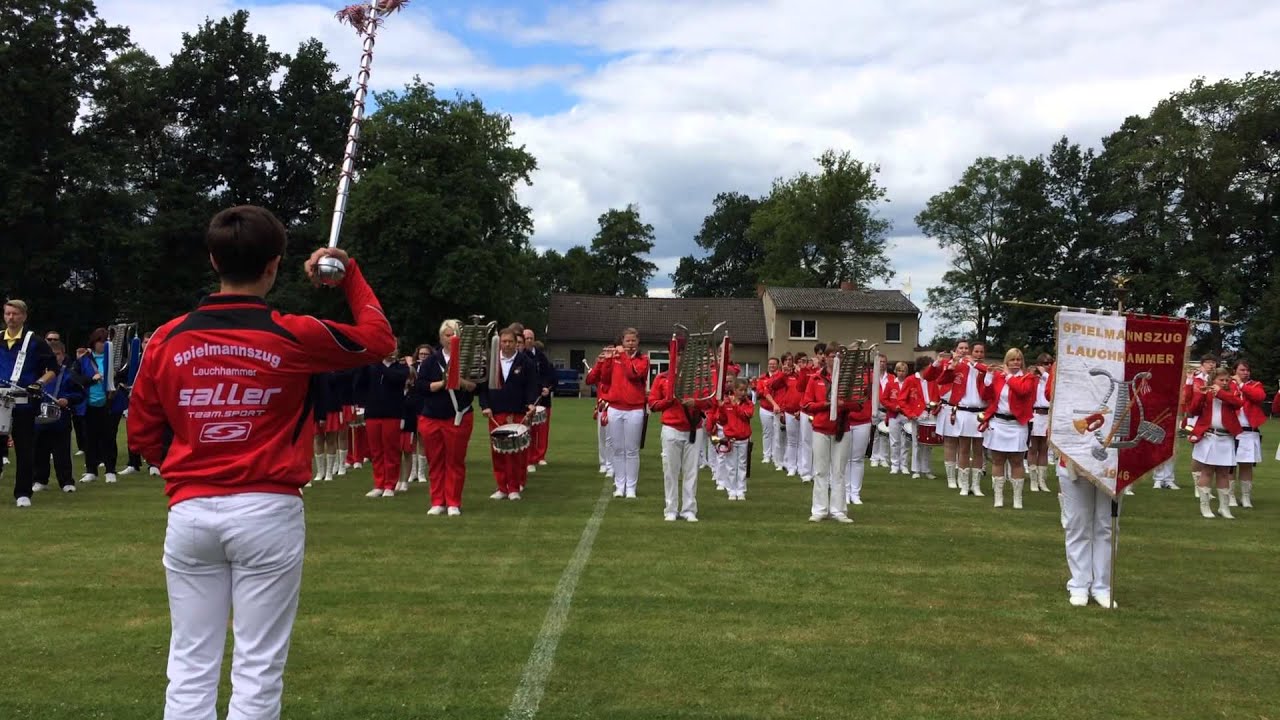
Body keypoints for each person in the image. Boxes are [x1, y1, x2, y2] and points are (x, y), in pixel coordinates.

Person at [125, 205, 396, 719]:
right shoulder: (294, 333)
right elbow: (379, 339)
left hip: (190, 511)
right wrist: (349, 273)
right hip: (267, 509)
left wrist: (189, 465)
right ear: (275, 266)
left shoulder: (166, 337)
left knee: (189, 662)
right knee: (257, 667)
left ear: (213, 261)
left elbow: (142, 432)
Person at [417, 319, 478, 516]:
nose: (451, 338)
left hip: (458, 417)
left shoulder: (468, 360)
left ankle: (453, 502)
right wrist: (441, 384)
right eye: (447, 335)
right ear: (441, 338)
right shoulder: (430, 362)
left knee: (455, 461)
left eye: (454, 335)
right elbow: (421, 387)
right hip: (432, 417)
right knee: (435, 461)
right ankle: (437, 501)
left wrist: (459, 381)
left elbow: (477, 387)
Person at [2, 299, 59, 507]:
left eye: (15, 314)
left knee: (25, 448)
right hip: (0, 401)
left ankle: (23, 493)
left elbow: (53, 368)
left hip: (24, 402)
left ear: (24, 316)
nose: (11, 318)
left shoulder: (35, 341)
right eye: (8, 314)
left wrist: (39, 382)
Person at [479, 327, 539, 502]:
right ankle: (501, 487)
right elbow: (482, 387)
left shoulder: (525, 362)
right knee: (498, 451)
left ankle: (514, 487)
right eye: (504, 342)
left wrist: (530, 403)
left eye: (510, 342)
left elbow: (531, 385)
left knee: (515, 452)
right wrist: (485, 405)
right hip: (496, 412)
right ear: (499, 343)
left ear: (516, 343)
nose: (507, 345)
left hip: (518, 412)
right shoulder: (491, 362)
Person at [979, 349, 1040, 510]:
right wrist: (989, 377)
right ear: (1006, 361)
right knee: (998, 460)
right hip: (998, 422)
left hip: (1017, 424)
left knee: (1017, 461)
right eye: (1012, 360)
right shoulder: (999, 377)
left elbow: (1022, 391)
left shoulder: (1028, 377)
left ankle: (1017, 498)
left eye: (1018, 360)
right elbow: (986, 395)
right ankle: (998, 496)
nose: (1015, 363)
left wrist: (1008, 376)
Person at [648, 364, 708, 521]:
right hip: (671, 427)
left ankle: (689, 509)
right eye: (678, 353)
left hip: (694, 428)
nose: (681, 357)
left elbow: (711, 401)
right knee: (670, 470)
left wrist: (696, 403)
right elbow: (653, 404)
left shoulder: (699, 378)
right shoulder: (662, 378)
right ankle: (671, 509)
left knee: (691, 470)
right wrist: (668, 400)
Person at [592, 328, 647, 499]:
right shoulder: (616, 358)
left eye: (633, 341)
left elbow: (632, 374)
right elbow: (605, 379)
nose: (630, 344)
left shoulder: (643, 359)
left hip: (635, 408)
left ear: (638, 342)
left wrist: (622, 356)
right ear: (622, 342)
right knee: (617, 449)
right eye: (627, 341)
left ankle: (631, 487)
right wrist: (607, 361)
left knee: (631, 450)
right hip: (615, 407)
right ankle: (619, 485)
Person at [801, 344, 853, 523]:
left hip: (842, 428)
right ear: (827, 358)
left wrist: (841, 404)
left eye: (839, 355)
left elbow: (858, 404)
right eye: (832, 355)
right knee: (820, 471)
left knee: (839, 471)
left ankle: (838, 510)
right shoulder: (816, 378)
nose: (835, 359)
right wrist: (826, 404)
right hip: (821, 428)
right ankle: (820, 509)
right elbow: (806, 405)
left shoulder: (849, 380)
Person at [1185, 367, 1241, 519]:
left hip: (1227, 437)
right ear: (1212, 380)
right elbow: (1193, 410)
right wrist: (1201, 395)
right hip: (1209, 436)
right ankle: (1205, 506)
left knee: (1224, 473)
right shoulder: (1206, 392)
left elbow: (1238, 404)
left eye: (1226, 380)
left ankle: (1224, 507)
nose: (1224, 382)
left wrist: (1221, 393)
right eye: (1220, 380)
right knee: (1207, 471)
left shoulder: (1230, 393)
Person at [32, 340, 86, 494]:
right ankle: (40, 480)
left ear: (63, 356)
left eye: (57, 354)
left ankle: (66, 481)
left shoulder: (69, 375)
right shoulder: (38, 374)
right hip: (39, 419)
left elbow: (80, 394)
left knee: (61, 451)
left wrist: (67, 399)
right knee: (39, 451)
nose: (54, 358)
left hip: (60, 419)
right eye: (51, 355)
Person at [358, 351, 410, 498]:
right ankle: (379, 484)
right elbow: (360, 383)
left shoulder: (401, 367)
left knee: (391, 450)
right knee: (376, 451)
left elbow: (395, 379)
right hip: (373, 413)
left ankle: (390, 484)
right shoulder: (371, 367)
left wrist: (378, 364)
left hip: (392, 414)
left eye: (392, 348)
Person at [1229, 361, 1263, 509]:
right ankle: (1230, 496)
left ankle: (1245, 497)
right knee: (1230, 465)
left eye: (1248, 370)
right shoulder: (1228, 384)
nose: (1245, 372)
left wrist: (1242, 386)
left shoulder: (1255, 385)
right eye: (1242, 370)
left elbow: (1259, 397)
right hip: (1233, 430)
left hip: (1249, 431)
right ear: (1235, 371)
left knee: (1247, 465)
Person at [899, 356, 939, 480]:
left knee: (928, 443)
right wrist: (910, 414)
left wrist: (936, 409)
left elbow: (937, 397)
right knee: (917, 443)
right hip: (918, 414)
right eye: (929, 367)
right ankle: (916, 469)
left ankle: (926, 469)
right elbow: (901, 400)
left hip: (931, 413)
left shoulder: (932, 380)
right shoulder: (910, 380)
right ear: (923, 368)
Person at [522, 328, 555, 471]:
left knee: (542, 430)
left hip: (543, 399)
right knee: (529, 430)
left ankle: (540, 456)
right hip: (528, 401)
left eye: (531, 338)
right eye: (526, 338)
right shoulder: (521, 357)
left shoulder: (542, 357)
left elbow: (551, 376)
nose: (529, 340)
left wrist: (548, 388)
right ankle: (529, 459)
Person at [717, 377, 754, 501]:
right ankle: (731, 489)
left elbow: (746, 416)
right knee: (731, 465)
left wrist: (735, 406)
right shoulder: (727, 403)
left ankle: (741, 489)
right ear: (734, 390)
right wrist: (721, 408)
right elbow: (722, 420)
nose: (743, 393)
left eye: (745, 390)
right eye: (740, 390)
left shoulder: (749, 404)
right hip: (731, 438)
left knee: (742, 465)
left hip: (743, 438)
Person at [585, 342, 614, 477]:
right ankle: (603, 463)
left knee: (612, 438)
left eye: (610, 350)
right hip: (602, 406)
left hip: (614, 404)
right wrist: (598, 364)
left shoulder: (617, 365)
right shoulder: (601, 364)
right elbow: (590, 380)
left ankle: (611, 464)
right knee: (602, 436)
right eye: (605, 350)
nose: (607, 353)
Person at [1027, 353, 1054, 493]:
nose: (1048, 365)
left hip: (1048, 415)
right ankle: (1033, 480)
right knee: (1033, 448)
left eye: (1050, 362)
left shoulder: (1052, 379)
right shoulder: (1034, 378)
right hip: (1035, 414)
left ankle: (1042, 480)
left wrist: (1046, 374)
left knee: (1044, 449)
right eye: (1045, 363)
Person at [755, 357, 781, 469]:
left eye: (774, 364)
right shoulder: (762, 378)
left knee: (777, 433)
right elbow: (759, 391)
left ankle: (776, 456)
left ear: (778, 365)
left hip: (778, 409)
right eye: (770, 364)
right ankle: (766, 455)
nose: (772, 366)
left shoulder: (780, 377)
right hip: (765, 408)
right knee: (767, 433)